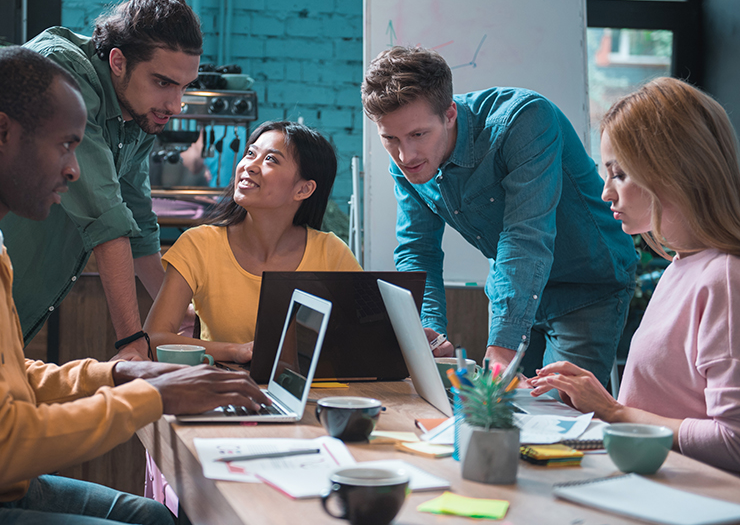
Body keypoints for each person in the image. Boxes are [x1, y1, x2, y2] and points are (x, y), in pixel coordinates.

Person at [0, 47, 269, 525]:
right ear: (1, 132)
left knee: (153, 518)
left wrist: (119, 375)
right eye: (65, 145)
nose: (74, 169)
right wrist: (153, 397)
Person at [0, 0, 202, 362]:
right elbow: (106, 219)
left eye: (185, 87)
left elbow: (136, 219)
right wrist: (131, 345)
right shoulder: (62, 74)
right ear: (118, 62)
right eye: (163, 83)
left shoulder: (139, 112)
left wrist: (178, 315)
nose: (175, 104)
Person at [361, 46, 637, 384]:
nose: (405, 155)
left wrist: (502, 344)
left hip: (586, 285)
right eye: (390, 138)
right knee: (501, 415)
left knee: (558, 417)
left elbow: (525, 235)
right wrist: (429, 328)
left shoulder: (523, 119)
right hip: (514, 286)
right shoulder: (408, 159)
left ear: (449, 115)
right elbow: (418, 249)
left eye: (418, 134)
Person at [529, 77, 740, 472]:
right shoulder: (681, 267)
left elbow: (734, 443)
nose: (606, 192)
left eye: (620, 174)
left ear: (674, 171)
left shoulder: (724, 278)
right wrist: (591, 398)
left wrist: (611, 411)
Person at [144, 121, 362, 364]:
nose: (250, 166)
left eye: (271, 160)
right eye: (250, 153)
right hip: (220, 391)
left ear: (303, 189)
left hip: (307, 393)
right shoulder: (198, 245)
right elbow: (154, 338)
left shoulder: (332, 253)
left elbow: (367, 336)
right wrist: (235, 351)